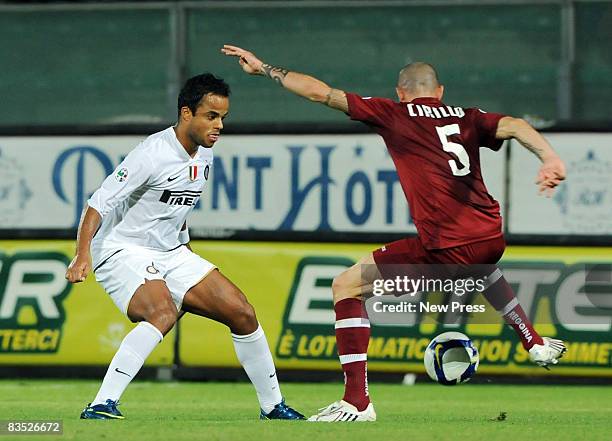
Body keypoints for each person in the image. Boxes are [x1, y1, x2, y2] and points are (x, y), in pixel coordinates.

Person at [222, 45, 567, 422]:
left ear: (401, 92)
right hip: (489, 237)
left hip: (446, 245)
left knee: (346, 286)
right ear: (440, 92)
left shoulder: (395, 112)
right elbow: (516, 125)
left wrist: (265, 68)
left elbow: (321, 93)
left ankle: (357, 403)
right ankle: (533, 343)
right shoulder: (468, 117)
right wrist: (549, 158)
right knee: (478, 266)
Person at [65, 73, 305, 421]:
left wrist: (187, 258)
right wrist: (82, 255)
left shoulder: (204, 154)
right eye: (212, 116)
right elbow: (98, 203)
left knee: (243, 313)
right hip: (122, 249)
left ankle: (273, 407)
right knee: (161, 314)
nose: (219, 125)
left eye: (223, 117)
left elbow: (176, 211)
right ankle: (101, 404)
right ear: (186, 113)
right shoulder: (152, 153)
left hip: (171, 253)